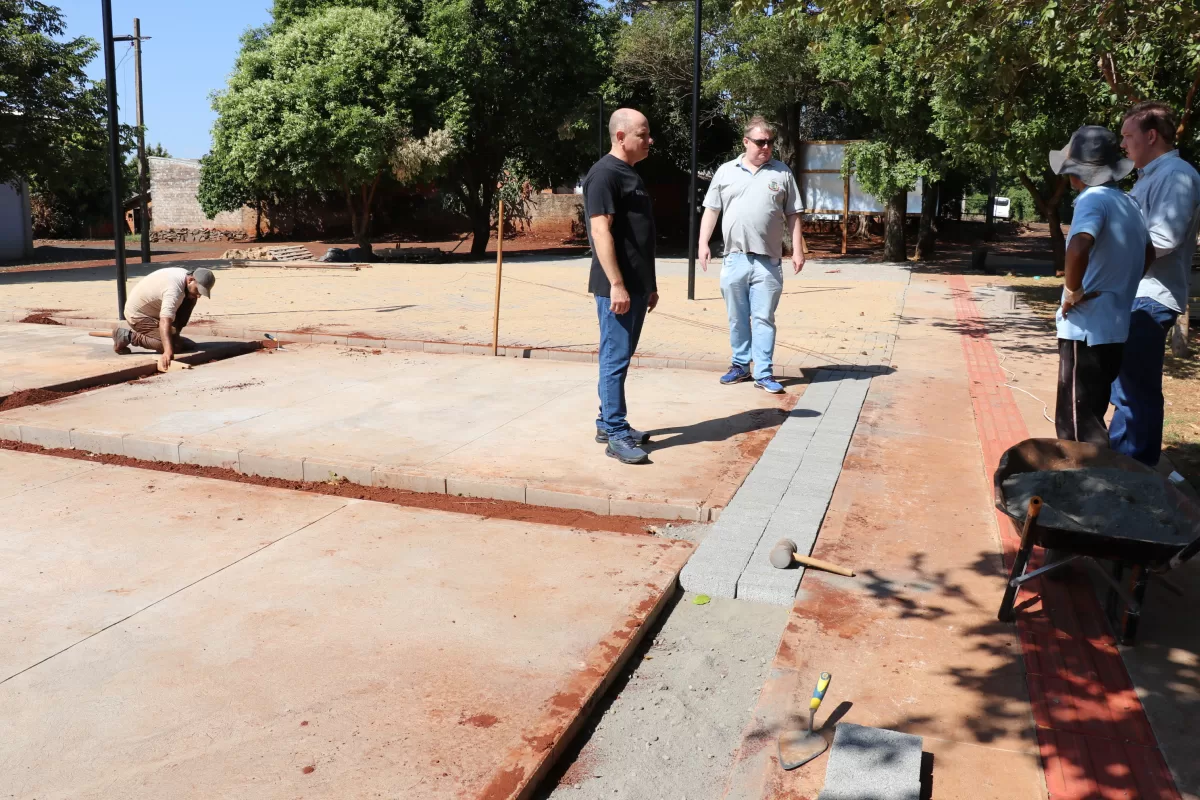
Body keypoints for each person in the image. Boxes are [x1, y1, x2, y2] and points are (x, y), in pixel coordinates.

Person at [1109, 102, 1200, 465]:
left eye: (1127, 136)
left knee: (1136, 391)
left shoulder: (1177, 175)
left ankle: (1135, 473)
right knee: (1126, 389)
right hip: (1136, 294)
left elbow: (1164, 238)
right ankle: (1121, 466)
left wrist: (1114, 257)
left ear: (1150, 136)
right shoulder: (1150, 176)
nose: (1122, 144)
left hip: (1150, 297)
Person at [1048, 126, 1151, 446]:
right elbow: (1148, 252)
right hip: (1115, 327)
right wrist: (1122, 283)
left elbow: (1079, 246)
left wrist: (1072, 292)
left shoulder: (1091, 200)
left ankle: (1089, 477)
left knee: (1078, 428)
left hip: (1086, 330)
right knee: (1093, 414)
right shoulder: (1129, 203)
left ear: (1077, 172)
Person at [698, 116, 805, 394]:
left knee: (763, 317)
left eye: (770, 142)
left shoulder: (781, 173)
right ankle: (740, 365)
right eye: (760, 142)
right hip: (735, 258)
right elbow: (712, 209)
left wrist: (798, 250)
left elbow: (794, 214)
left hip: (768, 261)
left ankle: (764, 372)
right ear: (746, 142)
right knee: (737, 317)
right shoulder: (726, 172)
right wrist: (703, 243)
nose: (766, 147)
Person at [583, 108, 659, 465]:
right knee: (614, 359)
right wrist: (617, 284)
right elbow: (601, 231)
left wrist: (649, 285)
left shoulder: (631, 174)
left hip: (637, 286)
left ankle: (607, 422)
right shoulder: (604, 175)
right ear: (620, 137)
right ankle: (615, 433)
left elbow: (639, 236)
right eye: (642, 134)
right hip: (617, 287)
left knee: (620, 356)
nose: (649, 140)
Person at [113, 266, 216, 371]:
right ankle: (128, 336)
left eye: (201, 293)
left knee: (191, 298)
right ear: (191, 280)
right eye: (198, 290)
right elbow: (165, 321)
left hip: (153, 309)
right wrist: (168, 351)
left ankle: (173, 338)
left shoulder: (185, 278)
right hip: (138, 316)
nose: (199, 296)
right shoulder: (174, 291)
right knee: (174, 347)